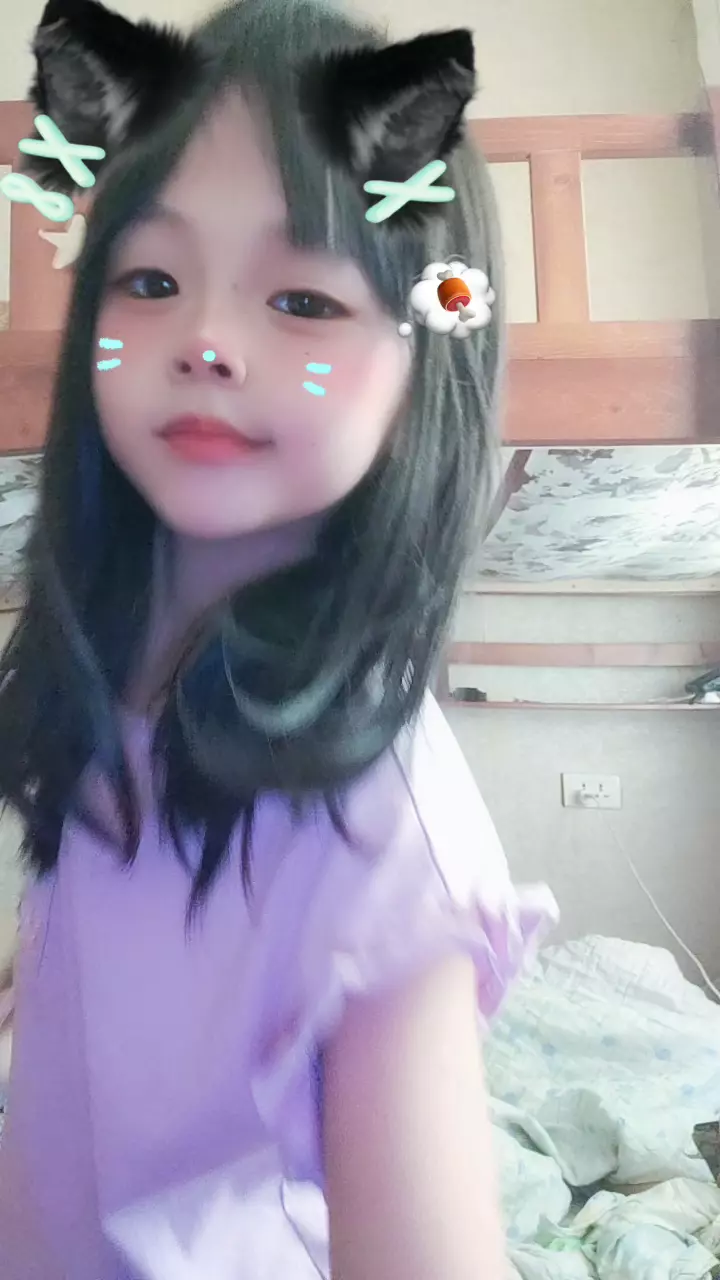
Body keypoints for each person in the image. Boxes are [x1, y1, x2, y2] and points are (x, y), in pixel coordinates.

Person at [0, 0, 558, 1276]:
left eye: (302, 298)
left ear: (425, 358)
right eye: (151, 281)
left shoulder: (380, 830)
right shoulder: (113, 678)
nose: (204, 340)